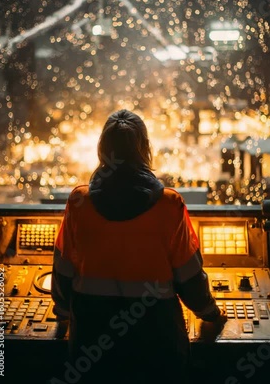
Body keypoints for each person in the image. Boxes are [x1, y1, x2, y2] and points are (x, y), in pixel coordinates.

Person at [51, 109, 226, 384]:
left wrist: (62, 316)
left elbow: (62, 274)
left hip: (92, 350)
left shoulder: (78, 203)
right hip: (157, 349)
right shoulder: (169, 205)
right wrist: (212, 314)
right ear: (145, 149)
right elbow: (190, 280)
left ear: (102, 150)